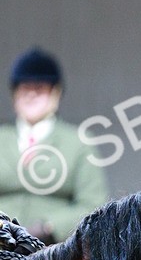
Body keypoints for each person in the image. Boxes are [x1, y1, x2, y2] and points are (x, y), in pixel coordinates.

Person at [0, 47, 109, 242]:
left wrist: (50, 226)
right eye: (25, 88)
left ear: (55, 94)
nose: (31, 95)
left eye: (40, 89)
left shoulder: (79, 143)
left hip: (55, 254)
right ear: (14, 95)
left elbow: (94, 205)